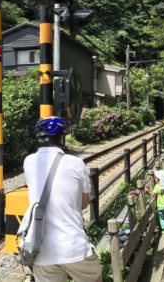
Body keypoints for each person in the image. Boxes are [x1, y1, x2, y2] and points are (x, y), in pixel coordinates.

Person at [23, 116, 102, 282]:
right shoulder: (76, 163)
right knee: (95, 277)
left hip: (42, 250)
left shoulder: (28, 162)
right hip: (73, 246)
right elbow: (84, 202)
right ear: (61, 138)